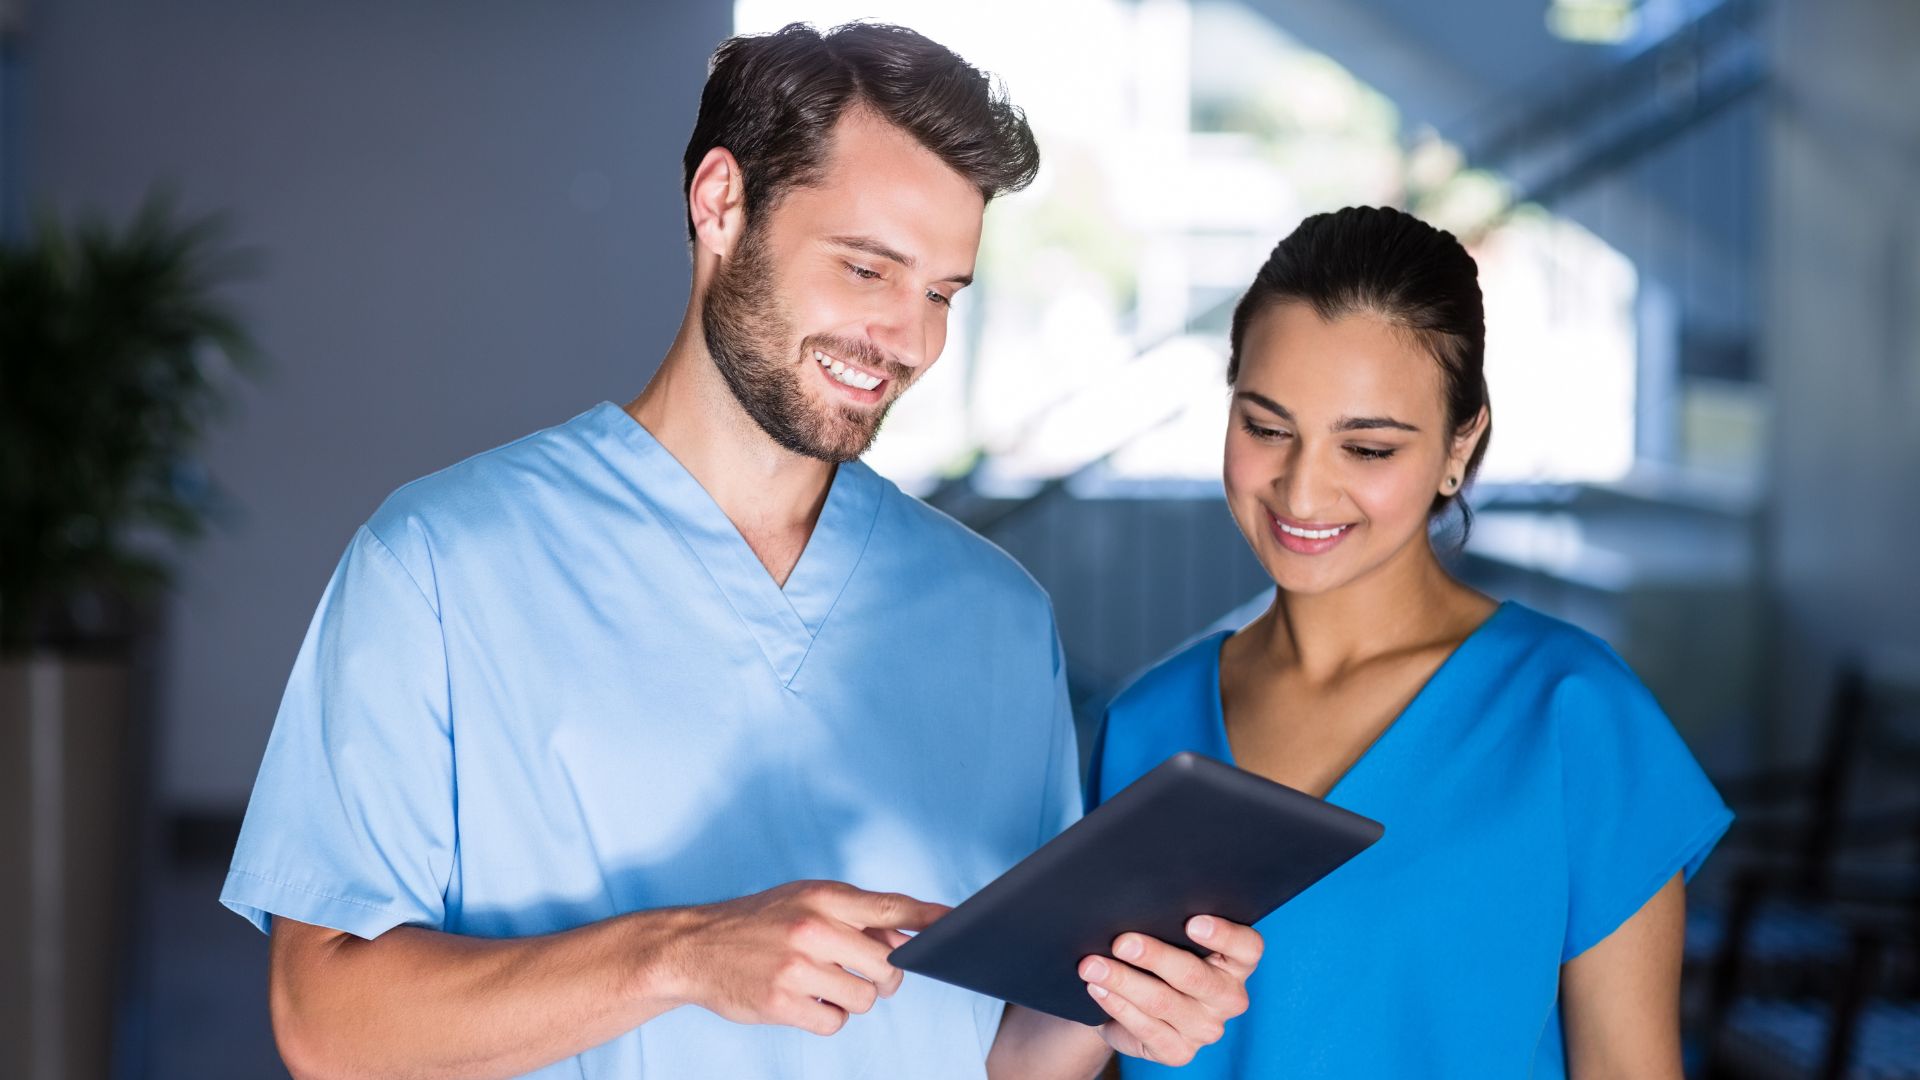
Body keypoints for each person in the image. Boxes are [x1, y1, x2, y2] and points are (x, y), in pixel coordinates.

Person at [221, 22, 1261, 1080]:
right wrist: (675, 957)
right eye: (867, 267)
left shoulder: (997, 616)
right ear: (720, 203)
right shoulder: (441, 567)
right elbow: (325, 1023)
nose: (907, 339)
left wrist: (1116, 1007)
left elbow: (999, 1055)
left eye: (943, 293)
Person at [1088, 206, 1732, 1079]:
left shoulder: (1573, 716)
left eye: (1367, 446)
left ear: (1459, 445)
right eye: (1267, 428)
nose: (1303, 489)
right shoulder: (1145, 727)